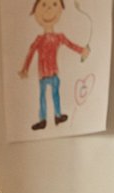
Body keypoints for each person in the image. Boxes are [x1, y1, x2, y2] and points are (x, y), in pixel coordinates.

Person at [18, 0, 89, 131]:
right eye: (44, 5)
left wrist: (82, 50)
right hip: (43, 75)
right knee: (43, 97)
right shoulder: (39, 39)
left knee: (55, 95)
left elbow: (70, 45)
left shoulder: (59, 37)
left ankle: (57, 115)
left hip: (54, 73)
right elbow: (30, 54)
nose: (49, 9)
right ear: (35, 12)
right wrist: (25, 69)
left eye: (54, 5)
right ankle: (43, 119)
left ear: (61, 9)